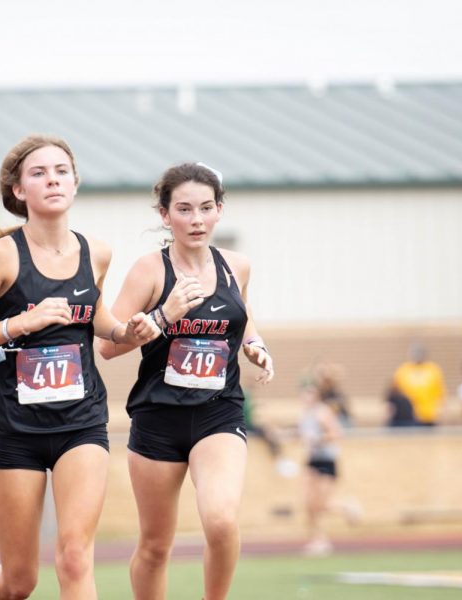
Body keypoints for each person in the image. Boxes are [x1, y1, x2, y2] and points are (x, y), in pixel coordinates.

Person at [0, 134, 159, 600]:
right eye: (38, 173)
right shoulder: (3, 256)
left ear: (75, 183)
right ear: (19, 192)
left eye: (61, 171)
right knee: (20, 582)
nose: (52, 179)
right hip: (13, 428)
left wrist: (124, 333)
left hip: (81, 421)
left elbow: (93, 316)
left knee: (75, 556)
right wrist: (21, 322)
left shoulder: (96, 252)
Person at [96, 162, 274, 600]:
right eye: (184, 209)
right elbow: (109, 345)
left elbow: (242, 314)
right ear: (165, 215)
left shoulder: (237, 266)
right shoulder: (149, 271)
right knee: (156, 546)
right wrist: (163, 315)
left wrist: (255, 344)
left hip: (219, 411)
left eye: (206, 208)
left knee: (220, 520)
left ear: (219, 211)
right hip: (159, 417)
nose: (196, 219)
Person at [297, 384, 360, 556]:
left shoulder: (321, 412)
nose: (305, 397)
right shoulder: (305, 414)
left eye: (309, 394)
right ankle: (317, 540)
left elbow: (336, 433)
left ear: (315, 395)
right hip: (312, 460)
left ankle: (346, 507)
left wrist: (318, 439)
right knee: (309, 503)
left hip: (326, 460)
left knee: (321, 504)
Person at [393, 343, 447, 426]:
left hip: (429, 414)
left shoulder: (433, 369)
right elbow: (396, 392)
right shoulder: (403, 370)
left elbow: (441, 392)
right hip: (409, 416)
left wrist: (442, 410)